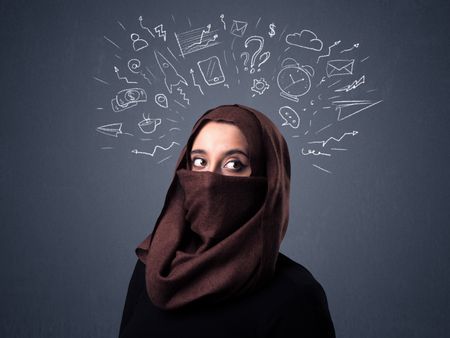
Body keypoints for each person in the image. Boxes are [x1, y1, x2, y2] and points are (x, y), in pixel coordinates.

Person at [119, 104, 335, 338]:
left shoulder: (295, 296)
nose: (209, 181)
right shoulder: (153, 265)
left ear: (268, 181)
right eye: (200, 162)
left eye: (234, 164)